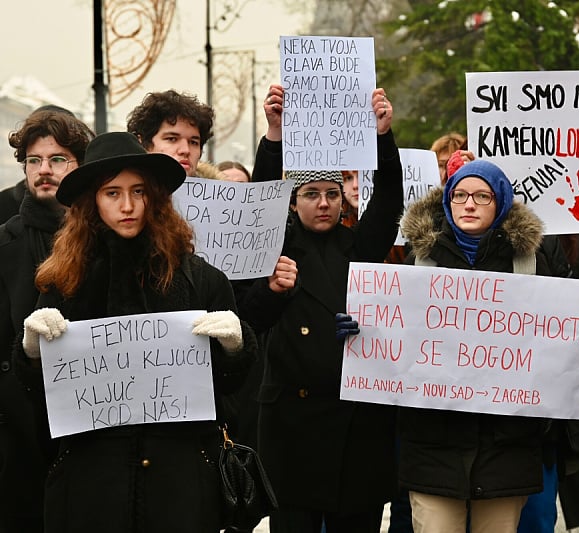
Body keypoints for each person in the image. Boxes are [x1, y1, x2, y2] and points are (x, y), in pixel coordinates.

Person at [13, 131, 258, 533]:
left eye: (138, 191)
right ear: (93, 200)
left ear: (155, 198)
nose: (127, 206)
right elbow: (40, 393)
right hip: (93, 487)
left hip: (179, 486)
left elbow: (229, 389)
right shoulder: (65, 282)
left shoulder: (201, 280)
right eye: (112, 193)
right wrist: (30, 352)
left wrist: (237, 346)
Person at [397, 159, 579, 533]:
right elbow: (397, 342)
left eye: (481, 196)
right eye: (460, 195)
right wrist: (364, 333)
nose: (468, 204)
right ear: (447, 200)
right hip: (434, 445)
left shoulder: (533, 261)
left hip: (506, 449)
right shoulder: (420, 261)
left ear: (500, 201)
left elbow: (559, 349)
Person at [238, 84, 403, 533]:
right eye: (311, 193)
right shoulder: (274, 247)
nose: (324, 202)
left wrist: (383, 137)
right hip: (291, 427)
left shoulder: (361, 246)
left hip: (356, 428)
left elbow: (389, 201)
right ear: (294, 200)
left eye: (332, 192)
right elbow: (253, 315)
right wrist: (274, 134)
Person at [0, 107, 93, 533]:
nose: (44, 171)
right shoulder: (5, 243)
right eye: (34, 161)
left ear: (78, 166)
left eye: (58, 160)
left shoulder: (102, 244)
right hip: (17, 433)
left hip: (89, 425)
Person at [126, 89, 214, 177]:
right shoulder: (121, 187)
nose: (185, 150)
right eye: (172, 139)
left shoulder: (217, 189)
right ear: (142, 145)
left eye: (193, 142)